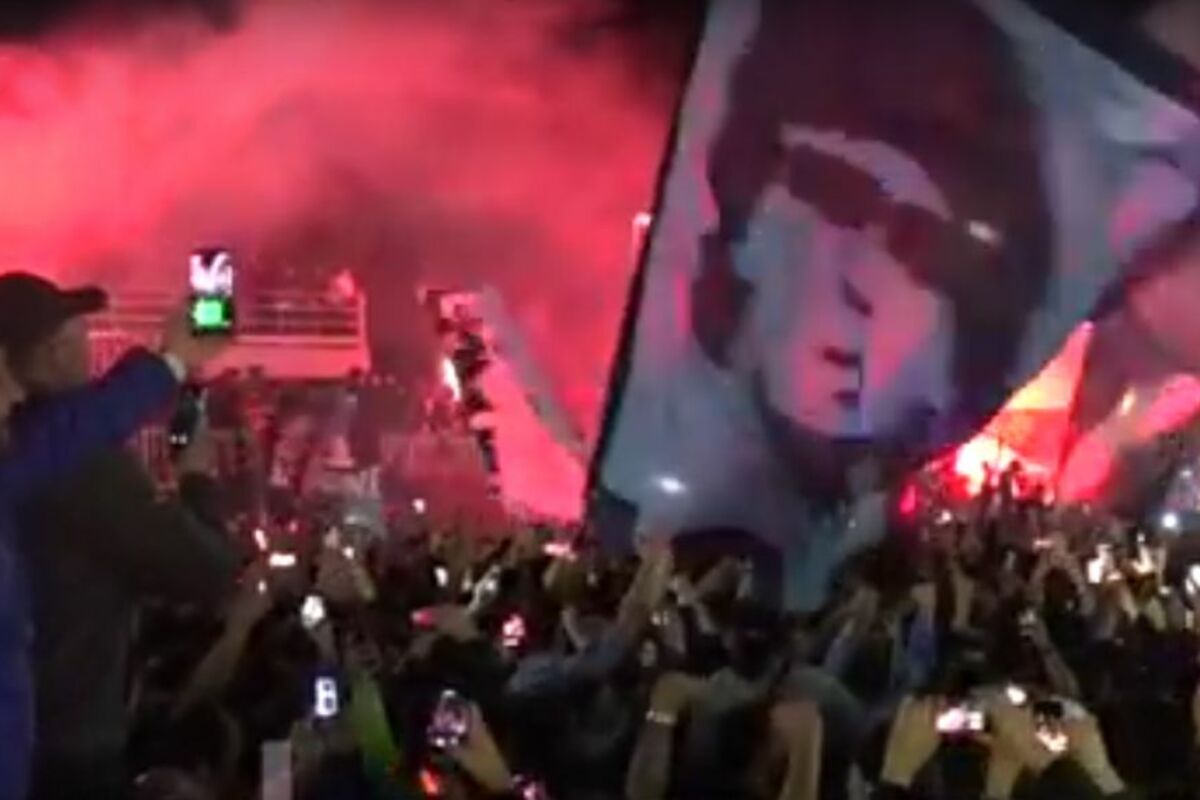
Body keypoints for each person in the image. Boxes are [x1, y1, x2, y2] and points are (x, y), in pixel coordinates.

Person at [0, 276, 240, 800]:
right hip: (67, 754)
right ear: (49, 355)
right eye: (76, 334)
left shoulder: (35, 450)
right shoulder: (81, 470)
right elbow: (208, 572)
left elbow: (79, 426)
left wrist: (168, 363)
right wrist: (197, 483)